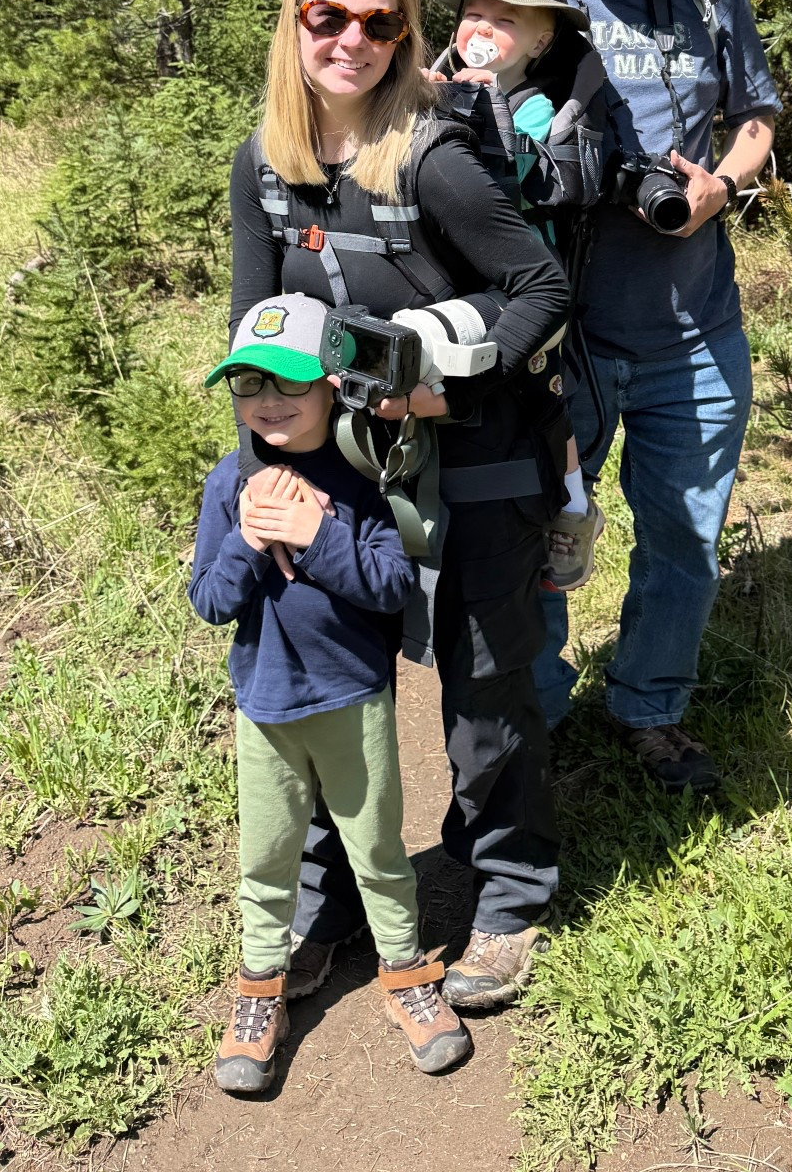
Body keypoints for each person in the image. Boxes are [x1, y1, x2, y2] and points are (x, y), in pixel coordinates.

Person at [229, 0, 570, 1012]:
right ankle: (329, 910)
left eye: (382, 21)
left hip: (478, 454)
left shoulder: (432, 155)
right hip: (344, 473)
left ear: (407, 34)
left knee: (481, 688)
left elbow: (542, 288)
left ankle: (509, 893)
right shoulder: (265, 164)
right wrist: (260, 488)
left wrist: (446, 388)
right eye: (330, 16)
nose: (354, 39)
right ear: (295, 22)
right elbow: (251, 327)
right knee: (334, 686)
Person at [531, 0, 781, 796]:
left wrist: (720, 185)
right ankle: (533, 711)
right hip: (565, 335)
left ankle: (650, 706)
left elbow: (758, 112)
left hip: (693, 325)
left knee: (685, 531)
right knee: (544, 531)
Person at [190, 292, 472, 1090]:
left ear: (330, 385)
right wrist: (251, 537)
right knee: (267, 858)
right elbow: (211, 601)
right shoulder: (229, 483)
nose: (268, 403)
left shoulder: (362, 473)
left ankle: (407, 974)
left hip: (354, 699)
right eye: (247, 385)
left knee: (378, 850)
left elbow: (389, 586)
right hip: (267, 711)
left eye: (287, 382)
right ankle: (259, 992)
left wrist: (316, 536)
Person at [431, 0, 607, 590]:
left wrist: (484, 110)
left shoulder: (532, 104)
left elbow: (524, 168)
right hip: (455, 279)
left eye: (506, 21)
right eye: (473, 14)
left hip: (522, 281)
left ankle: (572, 505)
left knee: (541, 397)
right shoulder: (433, 85)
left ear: (541, 39)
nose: (482, 30)